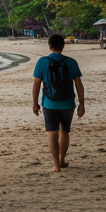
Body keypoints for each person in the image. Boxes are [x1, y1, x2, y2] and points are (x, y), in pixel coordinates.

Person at [32, 34, 85, 172]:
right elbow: (78, 83)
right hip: (68, 102)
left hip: (49, 103)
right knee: (65, 132)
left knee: (52, 133)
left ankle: (56, 165)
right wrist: (82, 104)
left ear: (49, 46)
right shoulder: (71, 62)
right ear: (63, 46)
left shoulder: (42, 62)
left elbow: (37, 83)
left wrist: (35, 103)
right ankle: (62, 160)